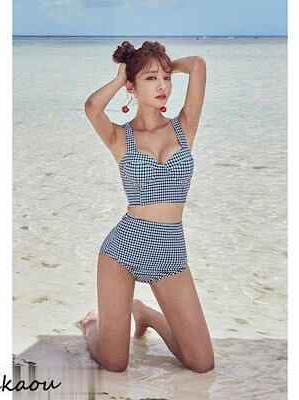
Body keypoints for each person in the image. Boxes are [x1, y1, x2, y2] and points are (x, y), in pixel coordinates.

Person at [76, 40, 214, 373]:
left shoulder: (183, 126)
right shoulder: (119, 136)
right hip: (123, 251)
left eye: (165, 78)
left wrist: (161, 65)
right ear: (132, 87)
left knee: (202, 363)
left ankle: (146, 313)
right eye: (151, 79)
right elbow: (92, 107)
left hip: (170, 253)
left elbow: (197, 64)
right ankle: (92, 321)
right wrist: (122, 76)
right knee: (114, 364)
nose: (162, 85)